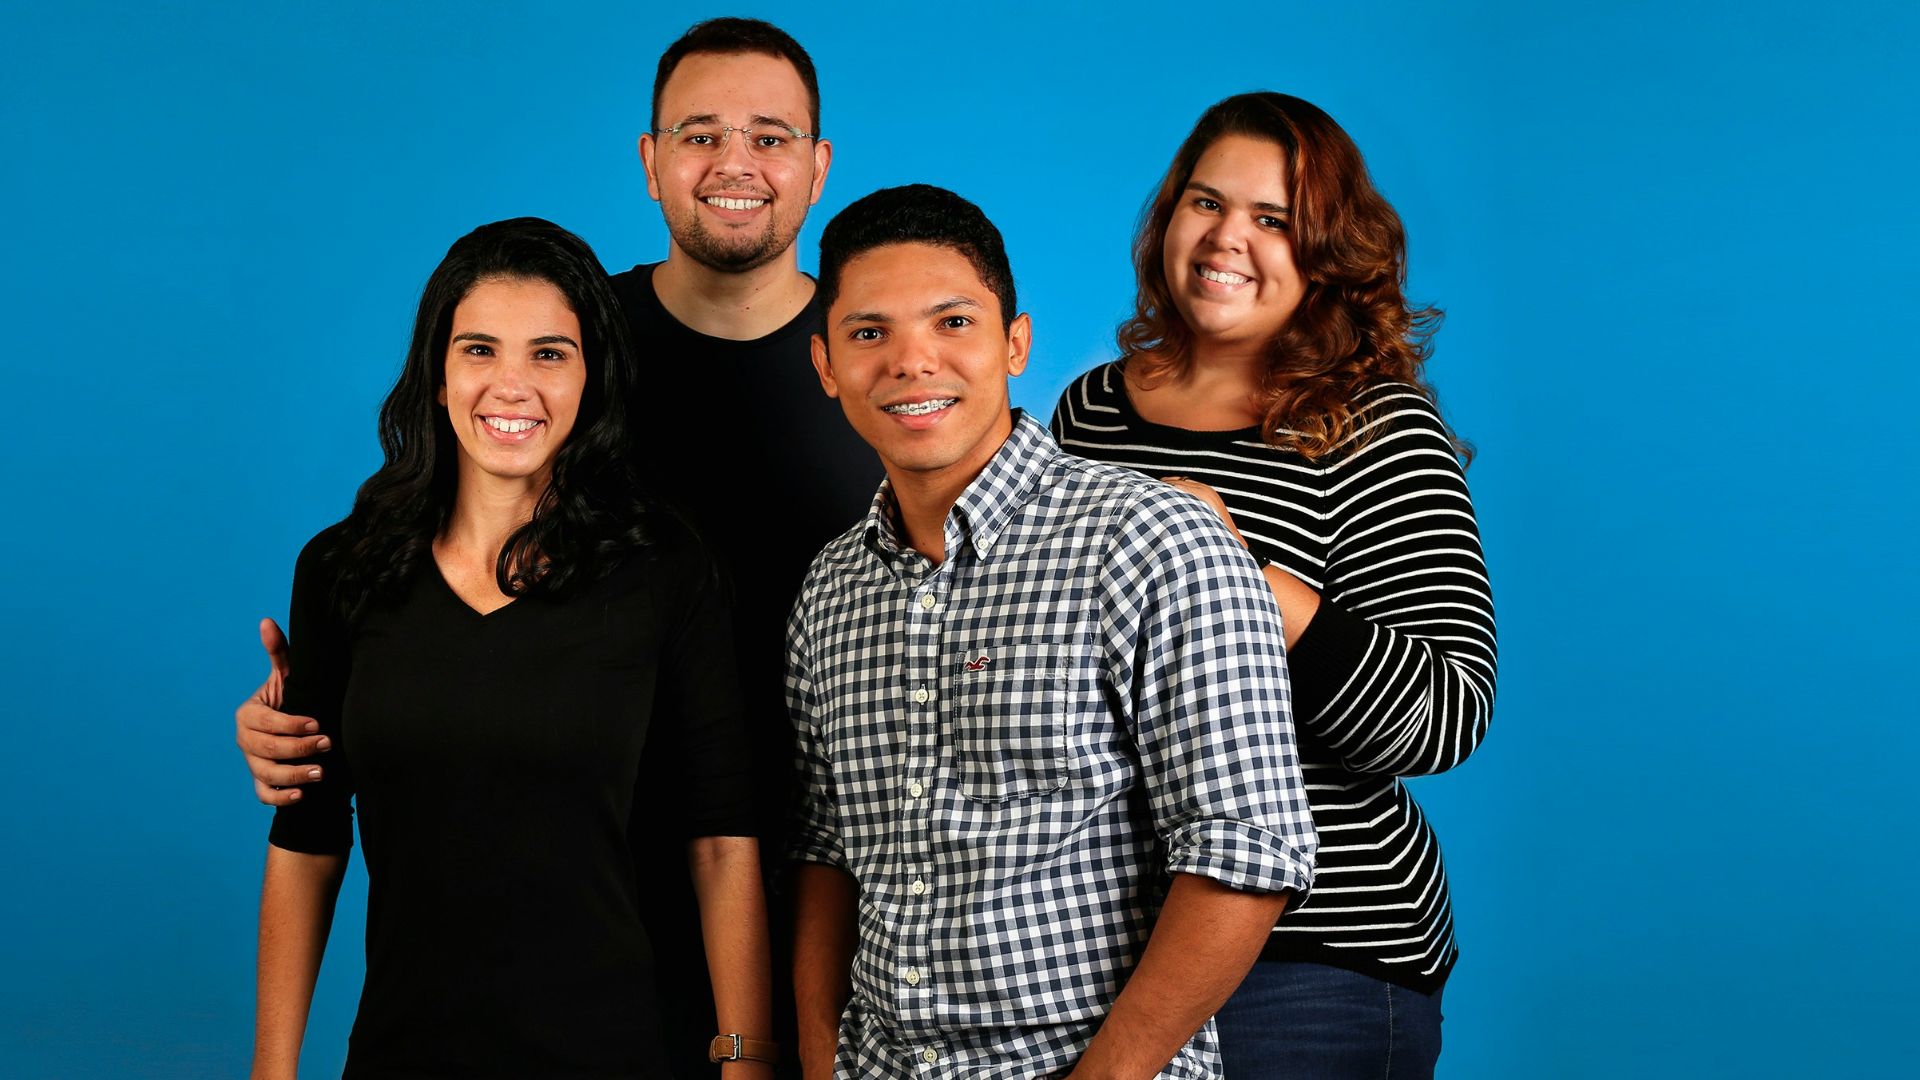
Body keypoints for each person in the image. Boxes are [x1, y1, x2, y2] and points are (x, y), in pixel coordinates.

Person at [234, 19, 874, 1075]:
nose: (736, 163)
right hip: (562, 904)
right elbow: (338, 764)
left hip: (817, 902)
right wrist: (311, 722)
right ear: (650, 160)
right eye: (701, 132)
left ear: (818, 166)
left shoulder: (881, 368)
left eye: (770, 136)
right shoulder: (575, 324)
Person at [786, 184, 1318, 1080]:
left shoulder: (1152, 542)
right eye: (869, 334)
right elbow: (830, 851)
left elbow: (1247, 850)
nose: (913, 362)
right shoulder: (832, 588)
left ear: (1016, 345)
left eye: (953, 323)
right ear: (826, 365)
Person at [252, 218, 772, 1078]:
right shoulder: (345, 570)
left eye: (549, 353)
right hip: (401, 1053)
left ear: (591, 375)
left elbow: (720, 839)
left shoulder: (665, 572)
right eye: (480, 349)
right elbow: (307, 838)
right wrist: (270, 1073)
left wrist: (748, 1060)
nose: (511, 385)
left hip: (616, 1054)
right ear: (438, 370)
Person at [1050, 92, 1498, 1078]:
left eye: (1273, 220)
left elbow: (1447, 716)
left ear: (1326, 252)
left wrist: (1248, 581)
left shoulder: (1375, 429)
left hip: (1314, 957)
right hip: (1109, 948)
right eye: (1206, 203)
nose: (1227, 239)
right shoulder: (1090, 414)